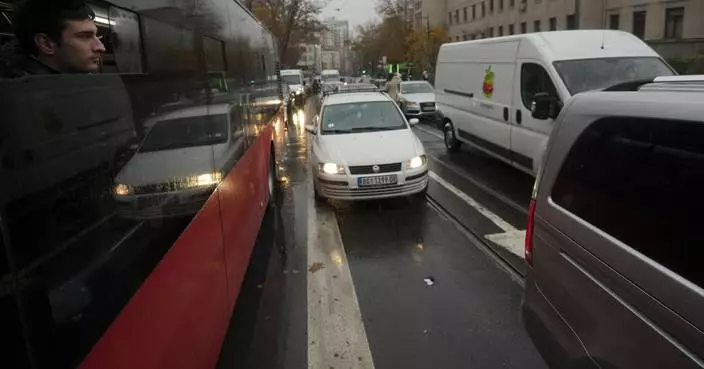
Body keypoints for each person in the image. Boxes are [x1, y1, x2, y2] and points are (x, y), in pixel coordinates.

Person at [1, 0, 106, 78]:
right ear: (46, 44)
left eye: (96, 36)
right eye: (85, 36)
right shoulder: (23, 100)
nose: (101, 47)